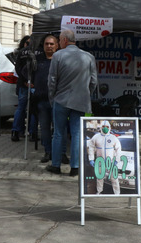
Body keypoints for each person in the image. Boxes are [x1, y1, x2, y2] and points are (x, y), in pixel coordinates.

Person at [46, 29, 98, 176]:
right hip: (81, 101)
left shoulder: (57, 56)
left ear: (64, 40)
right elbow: (94, 81)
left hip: (61, 100)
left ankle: (56, 165)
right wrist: (86, 94)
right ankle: (75, 167)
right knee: (77, 134)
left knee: (58, 133)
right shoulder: (88, 57)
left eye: (59, 40)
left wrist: (52, 98)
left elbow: (52, 81)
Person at [32, 34, 58, 163]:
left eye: (52, 44)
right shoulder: (37, 60)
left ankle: (60, 153)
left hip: (57, 100)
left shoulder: (60, 60)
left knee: (59, 128)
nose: (49, 46)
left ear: (57, 46)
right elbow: (25, 71)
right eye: (47, 44)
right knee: (45, 128)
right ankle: (48, 152)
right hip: (41, 100)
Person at [87, 120, 123, 194]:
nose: (105, 128)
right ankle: (99, 191)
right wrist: (91, 159)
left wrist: (117, 160)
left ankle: (117, 193)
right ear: (101, 127)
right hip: (100, 161)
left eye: (107, 127)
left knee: (114, 178)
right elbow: (91, 147)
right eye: (103, 127)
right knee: (100, 177)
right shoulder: (96, 137)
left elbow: (118, 149)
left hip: (111, 161)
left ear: (109, 127)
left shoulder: (113, 138)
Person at [11, 35, 36, 142]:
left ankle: (16, 131)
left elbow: (18, 68)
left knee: (21, 108)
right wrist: (31, 81)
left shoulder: (21, 52)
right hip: (32, 84)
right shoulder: (37, 51)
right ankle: (32, 133)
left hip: (23, 83)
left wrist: (25, 80)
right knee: (33, 109)